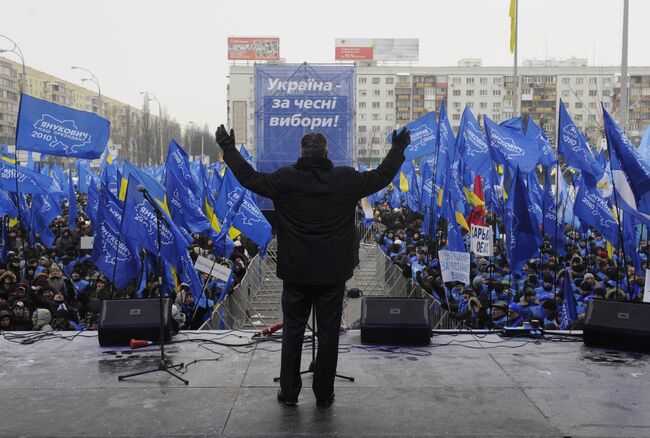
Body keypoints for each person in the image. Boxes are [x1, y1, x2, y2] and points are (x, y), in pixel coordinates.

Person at [215, 124, 409, 407]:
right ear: (326, 152)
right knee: (329, 335)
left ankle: (290, 392)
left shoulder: (285, 179)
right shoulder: (346, 179)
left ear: (302, 152)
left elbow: (249, 178)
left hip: (296, 273)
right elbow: (382, 176)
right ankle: (323, 393)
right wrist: (398, 148)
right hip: (332, 274)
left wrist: (228, 149)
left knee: (293, 331)